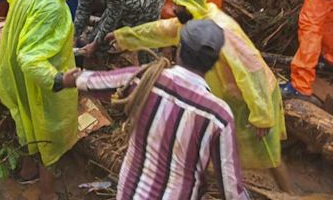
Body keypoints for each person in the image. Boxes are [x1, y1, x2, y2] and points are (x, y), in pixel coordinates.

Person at [106, 0, 287, 175]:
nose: (174, 10)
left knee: (269, 156)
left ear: (190, 4)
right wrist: (122, 37)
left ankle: (286, 194)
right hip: (231, 99)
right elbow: (158, 31)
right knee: (231, 150)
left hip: (254, 98)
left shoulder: (223, 29)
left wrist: (261, 115)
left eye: (178, 5)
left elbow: (252, 71)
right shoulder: (191, 23)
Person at [61, 20, 250, 200]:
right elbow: (231, 190)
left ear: (180, 50)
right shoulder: (218, 115)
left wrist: (66, 80)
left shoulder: (146, 78)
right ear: (214, 61)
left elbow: (97, 82)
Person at [0, 0, 81, 200]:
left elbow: (15, 8)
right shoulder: (53, 5)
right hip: (40, 81)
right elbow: (31, 58)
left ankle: (26, 171)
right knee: (50, 136)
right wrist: (58, 79)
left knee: (25, 121)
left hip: (13, 71)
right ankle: (47, 193)